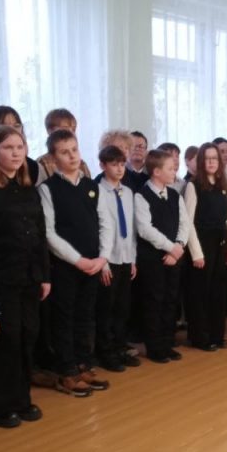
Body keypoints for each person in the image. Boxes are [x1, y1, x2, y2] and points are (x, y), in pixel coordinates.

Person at [0, 125, 50, 428]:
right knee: (5, 340)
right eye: (8, 147)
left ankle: (22, 398)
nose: (16, 153)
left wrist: (44, 275)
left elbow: (40, 233)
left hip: (30, 276)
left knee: (27, 336)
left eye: (20, 147)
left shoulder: (27, 186)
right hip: (1, 277)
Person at [38, 129, 109, 398]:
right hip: (67, 266)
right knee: (64, 318)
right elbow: (49, 232)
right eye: (64, 152)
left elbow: (105, 223)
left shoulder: (92, 186)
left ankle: (83, 364)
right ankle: (67, 370)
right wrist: (78, 260)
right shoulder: (48, 189)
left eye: (75, 150)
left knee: (85, 316)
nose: (72, 156)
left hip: (93, 263)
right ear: (53, 158)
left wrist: (102, 257)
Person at [134, 149, 190, 363]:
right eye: (170, 168)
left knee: (170, 300)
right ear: (156, 172)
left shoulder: (174, 195)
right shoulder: (141, 196)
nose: (174, 171)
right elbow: (145, 229)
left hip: (174, 257)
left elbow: (184, 223)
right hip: (152, 259)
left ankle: (167, 342)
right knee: (154, 302)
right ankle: (155, 347)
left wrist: (179, 246)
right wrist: (170, 247)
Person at [183, 142, 227, 351]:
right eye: (207, 158)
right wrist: (196, 253)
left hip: (221, 242)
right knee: (200, 292)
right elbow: (188, 223)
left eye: (215, 158)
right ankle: (200, 336)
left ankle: (216, 334)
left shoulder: (223, 185)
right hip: (202, 245)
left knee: (218, 291)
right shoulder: (193, 186)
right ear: (201, 162)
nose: (211, 162)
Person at [94, 145, 139, 371]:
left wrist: (133, 259)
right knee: (106, 308)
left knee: (122, 307)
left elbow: (131, 228)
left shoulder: (128, 192)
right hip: (107, 259)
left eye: (122, 164)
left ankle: (120, 347)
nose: (120, 169)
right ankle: (105, 352)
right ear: (103, 165)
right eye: (114, 164)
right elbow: (98, 228)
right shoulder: (97, 191)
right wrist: (102, 263)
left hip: (125, 257)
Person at [36, 108, 92, 183]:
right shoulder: (42, 163)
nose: (71, 133)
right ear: (50, 131)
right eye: (65, 129)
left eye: (73, 129)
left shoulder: (81, 164)